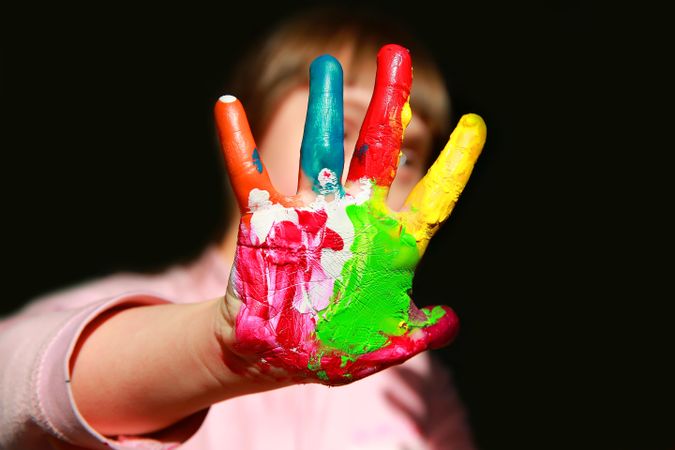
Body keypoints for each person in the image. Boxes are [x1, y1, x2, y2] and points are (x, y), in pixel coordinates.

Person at [0, 7, 486, 450]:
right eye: (340, 127)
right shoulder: (117, 308)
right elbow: (15, 379)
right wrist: (220, 346)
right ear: (251, 123)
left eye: (404, 154)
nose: (367, 167)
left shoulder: (409, 376)